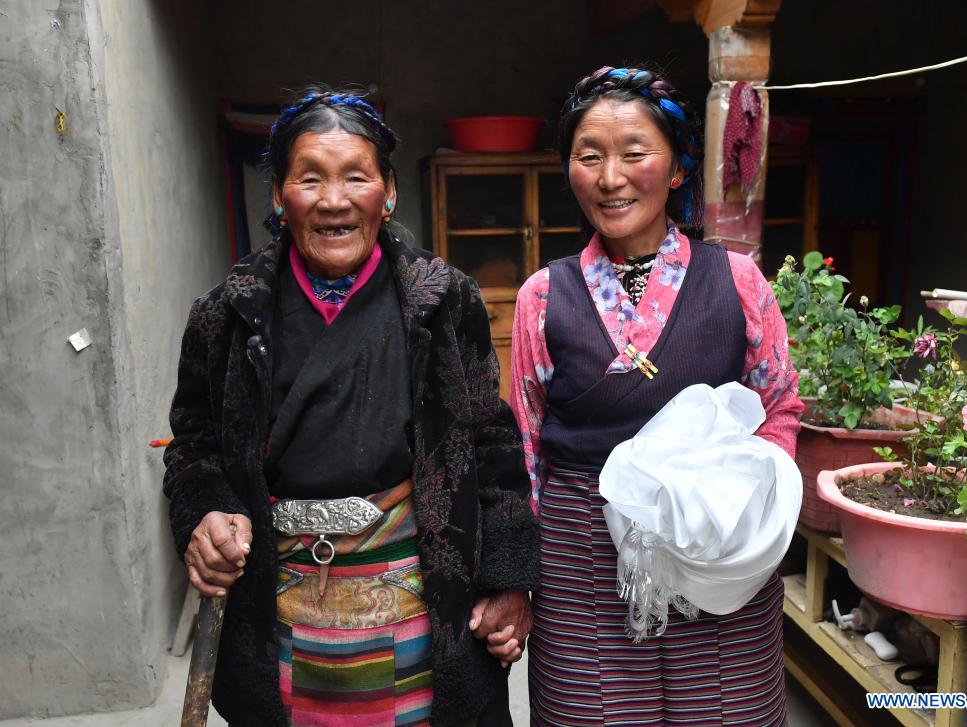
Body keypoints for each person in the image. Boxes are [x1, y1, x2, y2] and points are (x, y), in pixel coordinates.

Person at [163, 86, 539, 727]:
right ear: (278, 195)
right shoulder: (225, 313)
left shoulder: (445, 301)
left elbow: (493, 445)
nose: (333, 200)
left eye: (356, 177)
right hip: (280, 612)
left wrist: (508, 580)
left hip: (420, 604)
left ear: (387, 192)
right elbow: (193, 447)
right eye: (310, 178)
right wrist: (203, 513)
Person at [509, 66, 803, 725]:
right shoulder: (543, 297)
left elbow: (779, 404)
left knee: (724, 712)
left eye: (634, 152)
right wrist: (517, 578)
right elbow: (524, 447)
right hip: (582, 559)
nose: (610, 177)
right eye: (589, 156)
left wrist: (749, 513)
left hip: (717, 548)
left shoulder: (739, 282)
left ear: (677, 168)